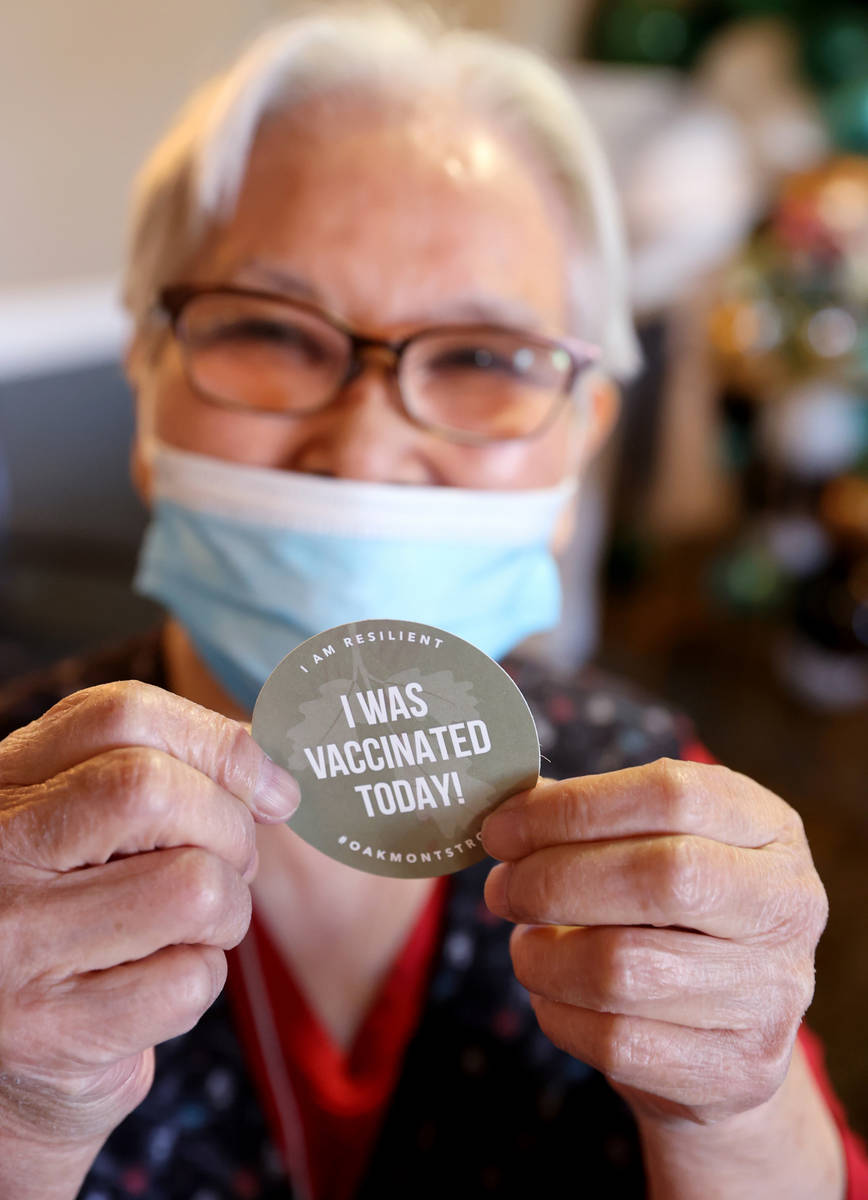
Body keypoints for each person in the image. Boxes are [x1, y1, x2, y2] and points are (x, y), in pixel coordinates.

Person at [0, 6, 865, 1198]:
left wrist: (738, 1112)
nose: (367, 448)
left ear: (578, 448)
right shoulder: (12, 812)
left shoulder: (648, 794)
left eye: (482, 357)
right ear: (148, 399)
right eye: (271, 332)